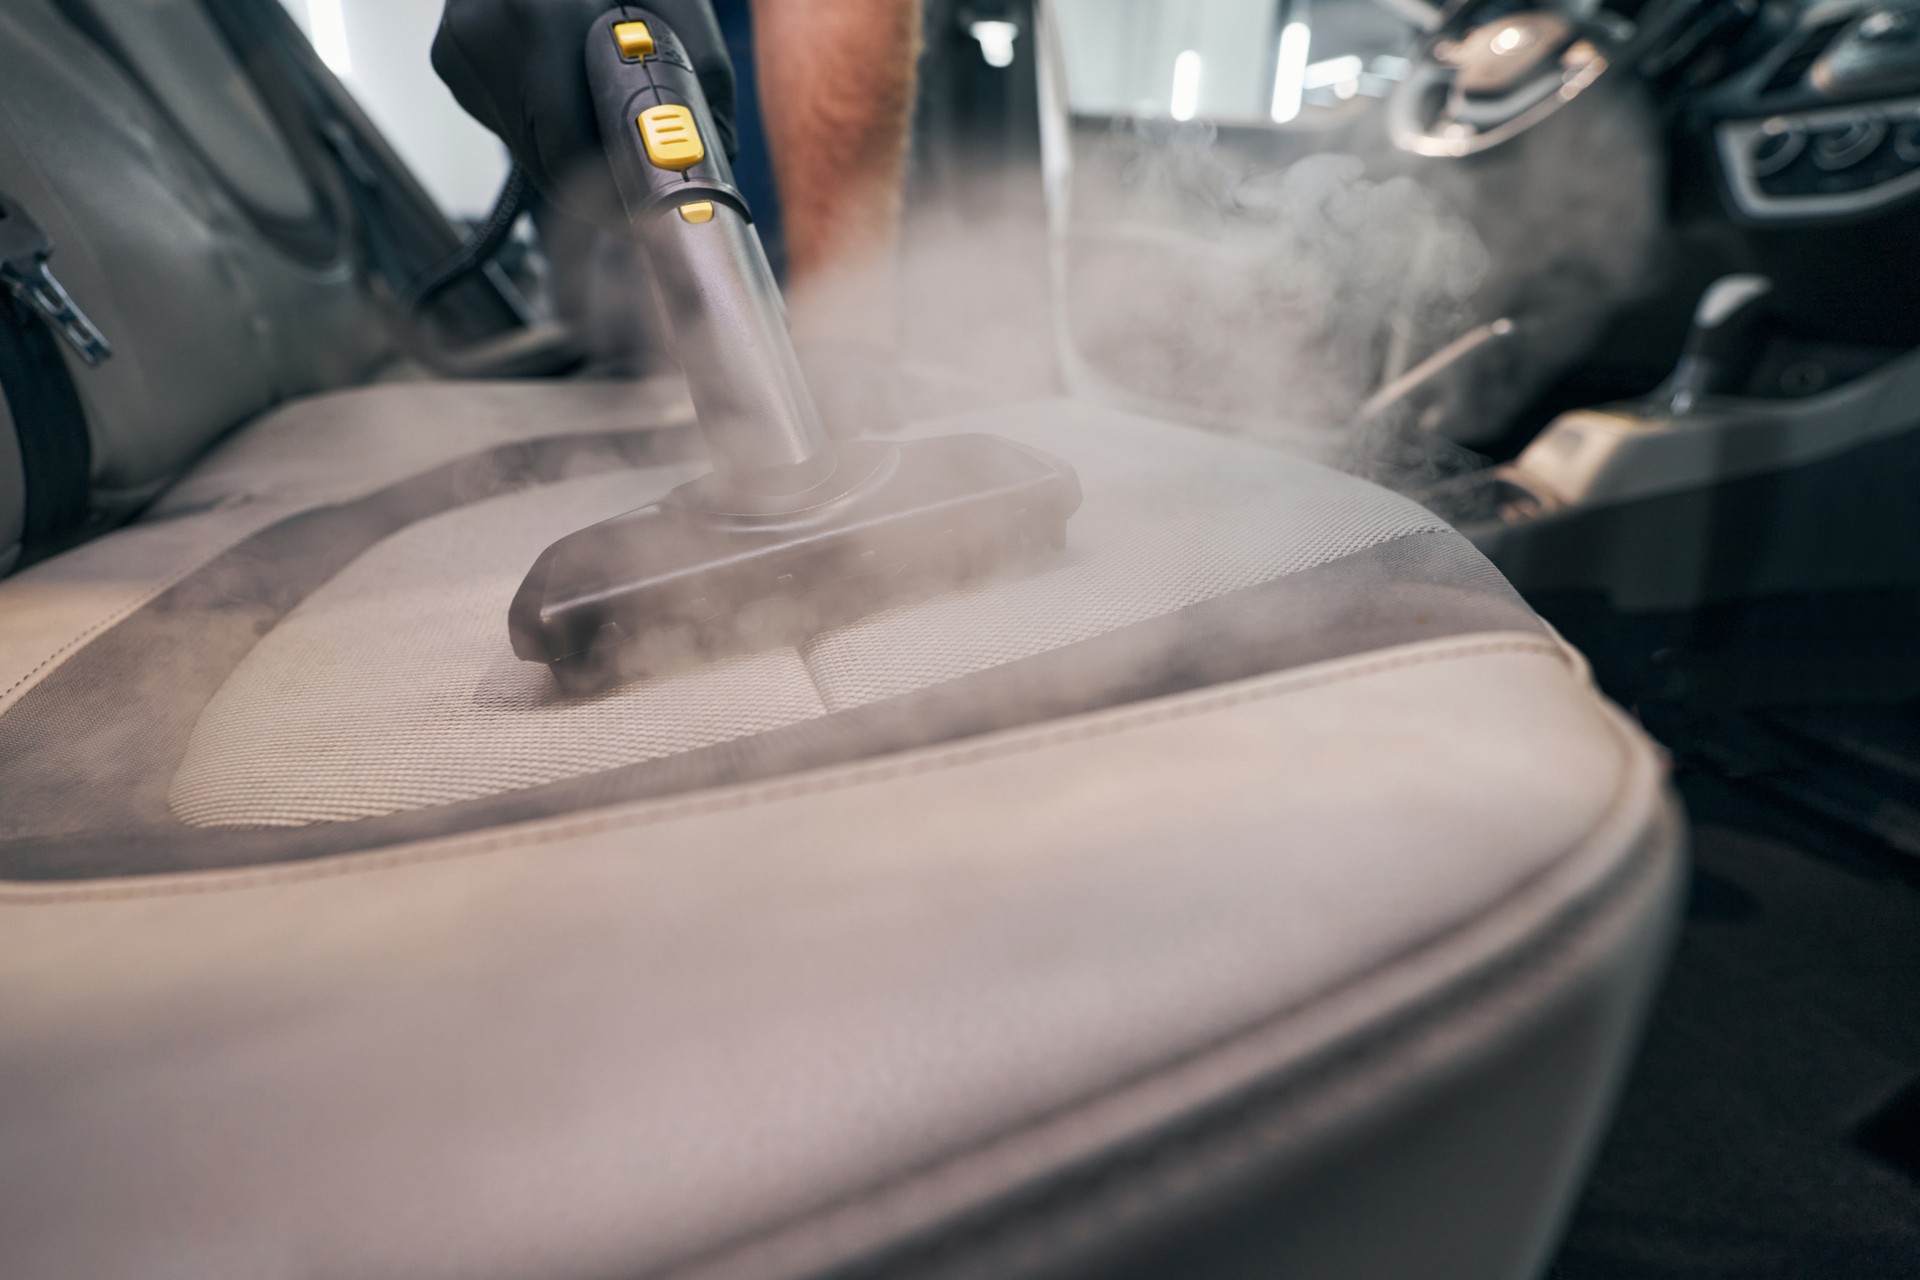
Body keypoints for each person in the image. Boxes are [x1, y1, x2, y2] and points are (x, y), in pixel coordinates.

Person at [432, 0, 919, 428]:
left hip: (732, 28)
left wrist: (845, 324)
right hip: (568, 32)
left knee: (794, 318)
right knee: (614, 305)